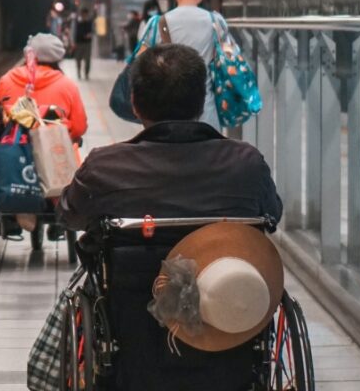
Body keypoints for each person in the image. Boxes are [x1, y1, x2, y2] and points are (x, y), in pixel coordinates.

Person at [57, 43, 282, 390]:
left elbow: (69, 215)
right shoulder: (245, 163)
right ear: (201, 99)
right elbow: (272, 214)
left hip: (132, 344)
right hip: (231, 334)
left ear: (134, 103)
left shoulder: (106, 166)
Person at [0, 33, 88, 236]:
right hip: (53, 158)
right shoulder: (67, 85)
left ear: (30, 55)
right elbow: (79, 126)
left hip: (13, 155)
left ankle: (14, 213)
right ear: (58, 58)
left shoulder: (8, 79)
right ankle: (58, 213)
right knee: (70, 150)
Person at [137, 0, 225, 130]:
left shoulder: (156, 24)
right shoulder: (216, 22)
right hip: (206, 110)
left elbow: (141, 65)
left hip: (164, 112)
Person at [72, 8, 94, 80]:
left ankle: (86, 74)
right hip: (79, 43)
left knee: (87, 59)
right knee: (78, 59)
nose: (84, 16)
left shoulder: (89, 22)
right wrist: (74, 42)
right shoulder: (77, 22)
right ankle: (78, 72)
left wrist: (90, 35)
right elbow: (75, 32)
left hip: (87, 43)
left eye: (86, 14)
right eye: (83, 14)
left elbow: (92, 31)